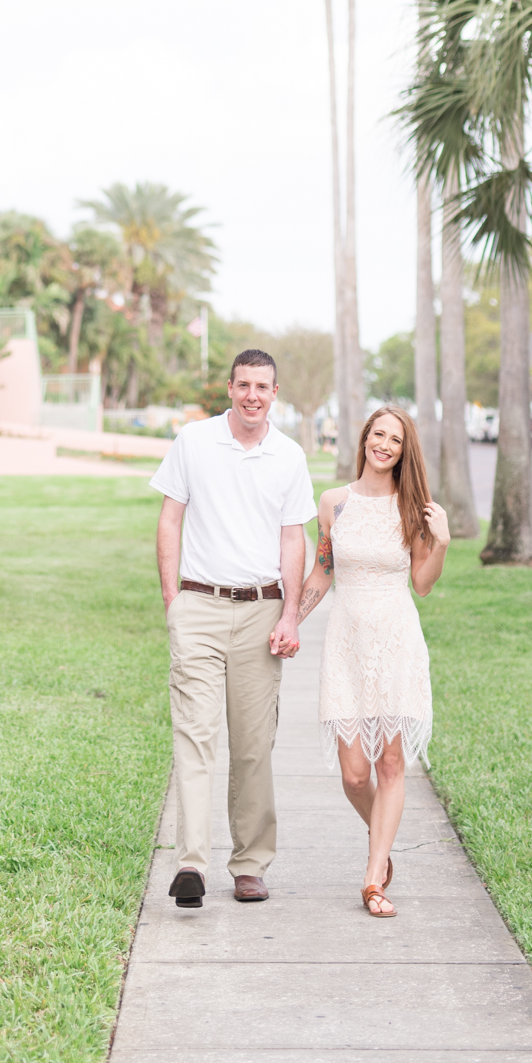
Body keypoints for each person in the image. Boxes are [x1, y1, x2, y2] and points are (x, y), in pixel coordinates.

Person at [150, 348, 316, 909]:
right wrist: (174, 600)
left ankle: (249, 864)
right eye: (243, 384)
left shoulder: (288, 457)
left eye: (262, 387)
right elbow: (169, 518)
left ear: (275, 393)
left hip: (261, 611)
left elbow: (293, 539)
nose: (251, 395)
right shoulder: (194, 442)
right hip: (198, 606)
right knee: (194, 737)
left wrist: (290, 614)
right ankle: (191, 864)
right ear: (229, 388)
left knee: (252, 748)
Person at [294, 408, 450, 917]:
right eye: (378, 435)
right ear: (364, 439)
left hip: (396, 640)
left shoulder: (416, 509)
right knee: (356, 775)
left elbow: (423, 585)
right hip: (345, 641)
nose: (384, 445)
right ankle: (379, 833)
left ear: (405, 451)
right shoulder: (334, 504)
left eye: (395, 440)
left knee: (390, 763)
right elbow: (322, 573)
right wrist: (290, 619)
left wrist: (441, 541)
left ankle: (373, 877)